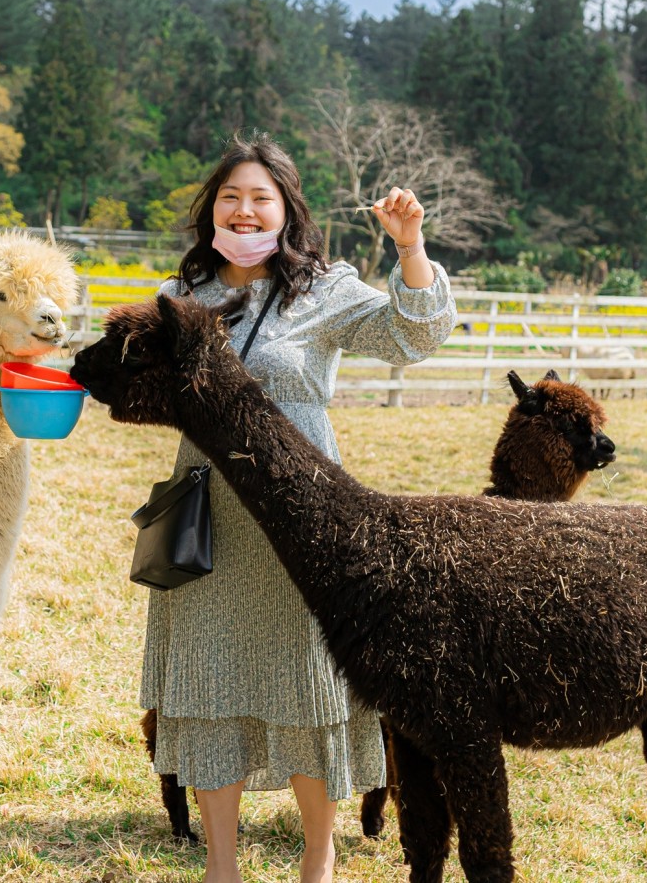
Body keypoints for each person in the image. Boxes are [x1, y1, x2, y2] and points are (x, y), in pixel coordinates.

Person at [142, 130, 458, 883]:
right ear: (210, 209)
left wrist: (409, 247)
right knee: (209, 684)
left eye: (260, 198)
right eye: (231, 197)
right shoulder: (180, 296)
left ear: (286, 209)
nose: (244, 211)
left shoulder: (323, 290)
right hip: (207, 522)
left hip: (305, 528)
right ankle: (223, 867)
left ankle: (320, 858)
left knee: (309, 683)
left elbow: (415, 334)